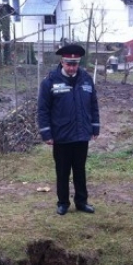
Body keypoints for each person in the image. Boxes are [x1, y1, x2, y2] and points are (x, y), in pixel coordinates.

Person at [37, 43, 100, 215]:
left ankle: (81, 202)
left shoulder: (86, 79)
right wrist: (46, 133)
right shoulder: (50, 82)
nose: (72, 67)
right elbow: (43, 110)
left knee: (80, 171)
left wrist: (95, 127)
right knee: (62, 171)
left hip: (81, 135)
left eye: (75, 64)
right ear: (62, 62)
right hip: (61, 136)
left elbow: (93, 104)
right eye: (68, 63)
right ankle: (63, 203)